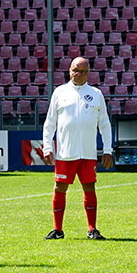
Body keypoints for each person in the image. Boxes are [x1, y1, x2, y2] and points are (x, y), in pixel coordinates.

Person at [42, 56, 115, 239]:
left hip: (87, 153)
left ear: (88, 73)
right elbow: (49, 123)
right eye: (76, 70)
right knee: (59, 188)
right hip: (65, 153)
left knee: (89, 188)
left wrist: (107, 150)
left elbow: (104, 124)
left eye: (83, 71)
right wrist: (47, 148)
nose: (79, 74)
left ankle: (92, 229)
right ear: (69, 71)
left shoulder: (96, 94)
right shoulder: (60, 92)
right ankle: (58, 230)